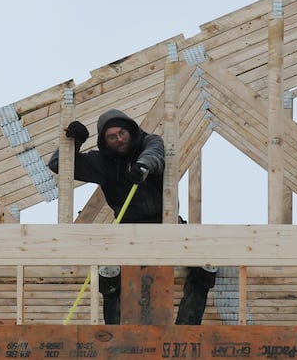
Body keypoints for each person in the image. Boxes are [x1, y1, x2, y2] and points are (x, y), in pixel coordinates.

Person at [48, 108, 216, 325]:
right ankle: (116, 334)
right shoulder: (102, 163)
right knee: (109, 274)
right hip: (127, 229)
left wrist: (143, 167)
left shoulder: (148, 142)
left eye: (122, 133)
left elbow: (155, 152)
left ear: (131, 131)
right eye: (112, 137)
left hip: (166, 225)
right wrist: (75, 142)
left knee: (205, 265)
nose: (119, 139)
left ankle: (187, 329)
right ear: (104, 141)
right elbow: (57, 165)